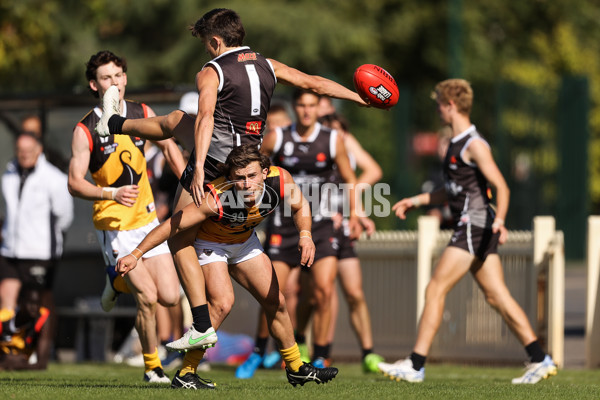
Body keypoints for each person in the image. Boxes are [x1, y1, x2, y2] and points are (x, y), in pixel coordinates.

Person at [94, 7, 368, 383]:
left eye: (206, 44)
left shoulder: (212, 70)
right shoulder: (267, 64)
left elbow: (207, 116)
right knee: (176, 121)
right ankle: (117, 123)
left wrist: (197, 166)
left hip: (220, 163)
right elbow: (315, 83)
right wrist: (358, 97)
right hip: (249, 162)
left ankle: (201, 322)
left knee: (179, 235)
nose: (206, 50)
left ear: (215, 41)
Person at [378, 79, 558, 384]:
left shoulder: (474, 144)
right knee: (496, 295)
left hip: (475, 224)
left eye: (438, 105)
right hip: (474, 224)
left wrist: (499, 220)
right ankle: (540, 358)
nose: (437, 111)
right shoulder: (456, 143)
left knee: (435, 288)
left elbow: (501, 186)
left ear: (450, 106)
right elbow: (449, 192)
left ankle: (416, 364)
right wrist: (416, 200)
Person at [115, 144, 339, 389]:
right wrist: (136, 254)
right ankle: (186, 374)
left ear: (265, 172)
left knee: (277, 302)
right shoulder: (216, 197)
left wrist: (305, 235)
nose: (246, 184)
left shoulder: (280, 179)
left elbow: (301, 206)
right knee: (222, 304)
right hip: (212, 245)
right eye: (239, 178)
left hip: (244, 242)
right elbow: (173, 226)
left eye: (252, 176)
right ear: (230, 178)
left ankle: (296, 368)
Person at [67, 50, 186, 384]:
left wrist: (189, 180)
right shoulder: (85, 129)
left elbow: (168, 146)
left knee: (170, 296)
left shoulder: (141, 112)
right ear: (94, 84)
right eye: (106, 78)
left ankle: (115, 281)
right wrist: (110, 193)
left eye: (118, 76)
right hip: (115, 226)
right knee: (147, 298)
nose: (113, 83)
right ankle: (152, 368)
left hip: (148, 220)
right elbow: (74, 183)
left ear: (126, 79)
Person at [243, 89, 363, 375]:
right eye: (302, 105)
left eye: (312, 105)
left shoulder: (333, 139)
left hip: (321, 225)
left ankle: (320, 355)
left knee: (322, 291)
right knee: (274, 293)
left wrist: (355, 213)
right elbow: (255, 167)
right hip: (284, 224)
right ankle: (259, 352)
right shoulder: (279, 136)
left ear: (318, 109)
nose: (307, 111)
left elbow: (349, 177)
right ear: (296, 107)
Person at [0, 132, 73, 368]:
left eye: (29, 151)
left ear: (39, 150)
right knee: (6, 300)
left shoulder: (53, 178)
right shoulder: (10, 172)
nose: (24, 155)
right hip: (11, 249)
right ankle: (10, 352)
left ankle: (41, 358)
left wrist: (46, 238)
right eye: (20, 151)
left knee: (38, 305)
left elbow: (65, 216)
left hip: (40, 252)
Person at [0, 287, 51, 370]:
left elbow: (42, 365)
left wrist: (10, 365)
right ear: (20, 302)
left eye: (38, 304)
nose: (35, 307)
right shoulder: (2, 320)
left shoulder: (42, 317)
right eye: (31, 303)